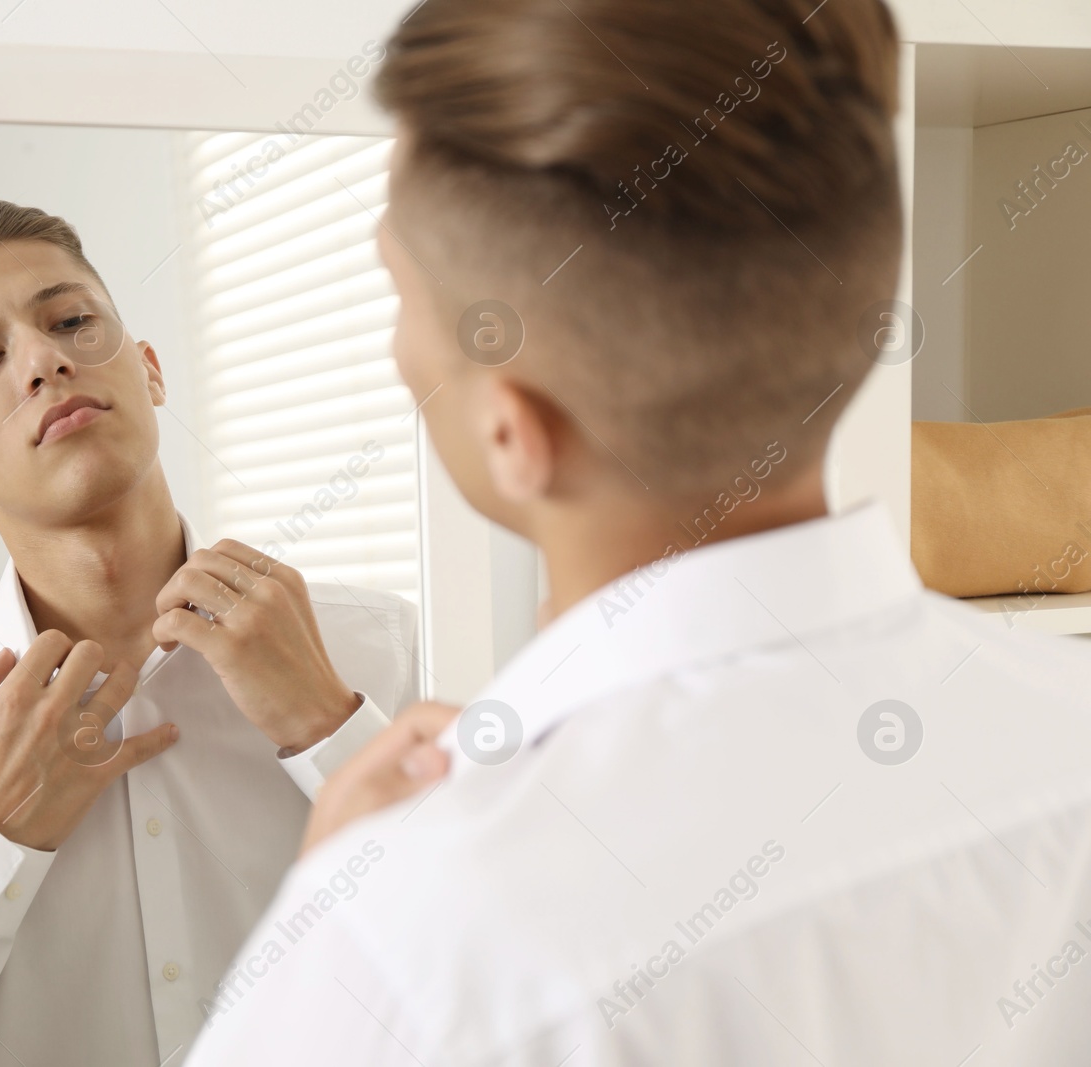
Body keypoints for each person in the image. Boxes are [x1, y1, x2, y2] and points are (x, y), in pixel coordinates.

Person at [185, 0, 1091, 1064]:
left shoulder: (415, 951)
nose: (394, 347)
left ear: (511, 428)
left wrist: (338, 923)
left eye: (398, 289)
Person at [0, 202, 419, 1066]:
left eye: (70, 322)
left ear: (150, 371)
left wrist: (331, 729)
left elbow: (501, 977)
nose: (44, 359)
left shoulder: (379, 646)